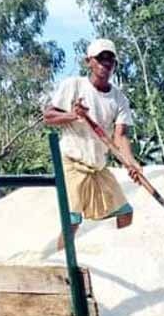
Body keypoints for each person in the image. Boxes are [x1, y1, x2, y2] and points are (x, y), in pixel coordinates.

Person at [43, 38, 144, 249]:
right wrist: (73, 115)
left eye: (110, 60)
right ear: (89, 61)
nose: (105, 64)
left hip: (97, 167)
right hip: (72, 162)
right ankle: (63, 264)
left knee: (125, 212)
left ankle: (121, 255)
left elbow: (120, 136)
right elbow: (49, 117)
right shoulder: (74, 86)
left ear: (115, 64)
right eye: (100, 59)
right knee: (72, 220)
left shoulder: (119, 99)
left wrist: (131, 163)